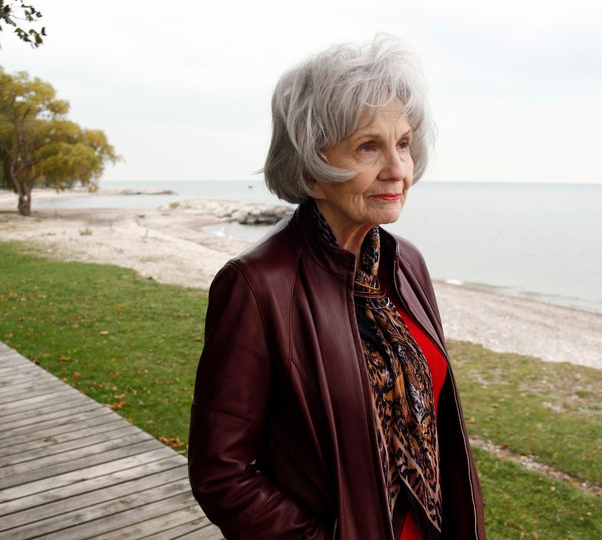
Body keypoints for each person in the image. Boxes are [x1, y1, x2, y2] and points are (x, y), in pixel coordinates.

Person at [188, 35, 486, 540]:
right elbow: (222, 474)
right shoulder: (257, 286)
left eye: (404, 143)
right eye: (368, 146)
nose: (397, 170)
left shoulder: (404, 261)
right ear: (311, 167)